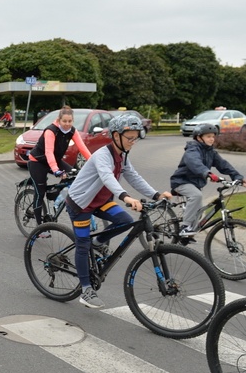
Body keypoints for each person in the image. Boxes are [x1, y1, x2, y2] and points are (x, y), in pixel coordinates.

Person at [64, 114, 171, 309]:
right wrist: (126, 197)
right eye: (129, 138)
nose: (133, 142)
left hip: (100, 202)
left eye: (135, 137)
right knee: (82, 244)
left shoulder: (122, 156)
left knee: (125, 220)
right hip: (80, 205)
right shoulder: (102, 156)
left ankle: (96, 243)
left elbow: (134, 177)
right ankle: (86, 289)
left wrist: (156, 195)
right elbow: (107, 177)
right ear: (115, 136)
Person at [170, 123, 246, 240]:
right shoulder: (192, 149)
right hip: (181, 182)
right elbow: (194, 163)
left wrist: (237, 176)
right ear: (199, 138)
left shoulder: (211, 152)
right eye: (208, 136)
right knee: (197, 196)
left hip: (195, 184)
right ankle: (185, 227)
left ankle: (186, 237)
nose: (212, 139)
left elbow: (223, 165)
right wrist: (208, 173)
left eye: (213, 136)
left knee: (199, 210)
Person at [27, 106, 92, 224]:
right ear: (59, 120)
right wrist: (56, 170)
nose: (67, 124)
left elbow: (83, 148)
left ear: (73, 121)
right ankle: (39, 227)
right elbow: (48, 152)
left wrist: (95, 164)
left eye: (70, 121)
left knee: (74, 177)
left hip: (55, 160)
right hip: (38, 161)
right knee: (40, 192)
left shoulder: (72, 131)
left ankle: (55, 195)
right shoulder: (51, 131)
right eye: (64, 121)